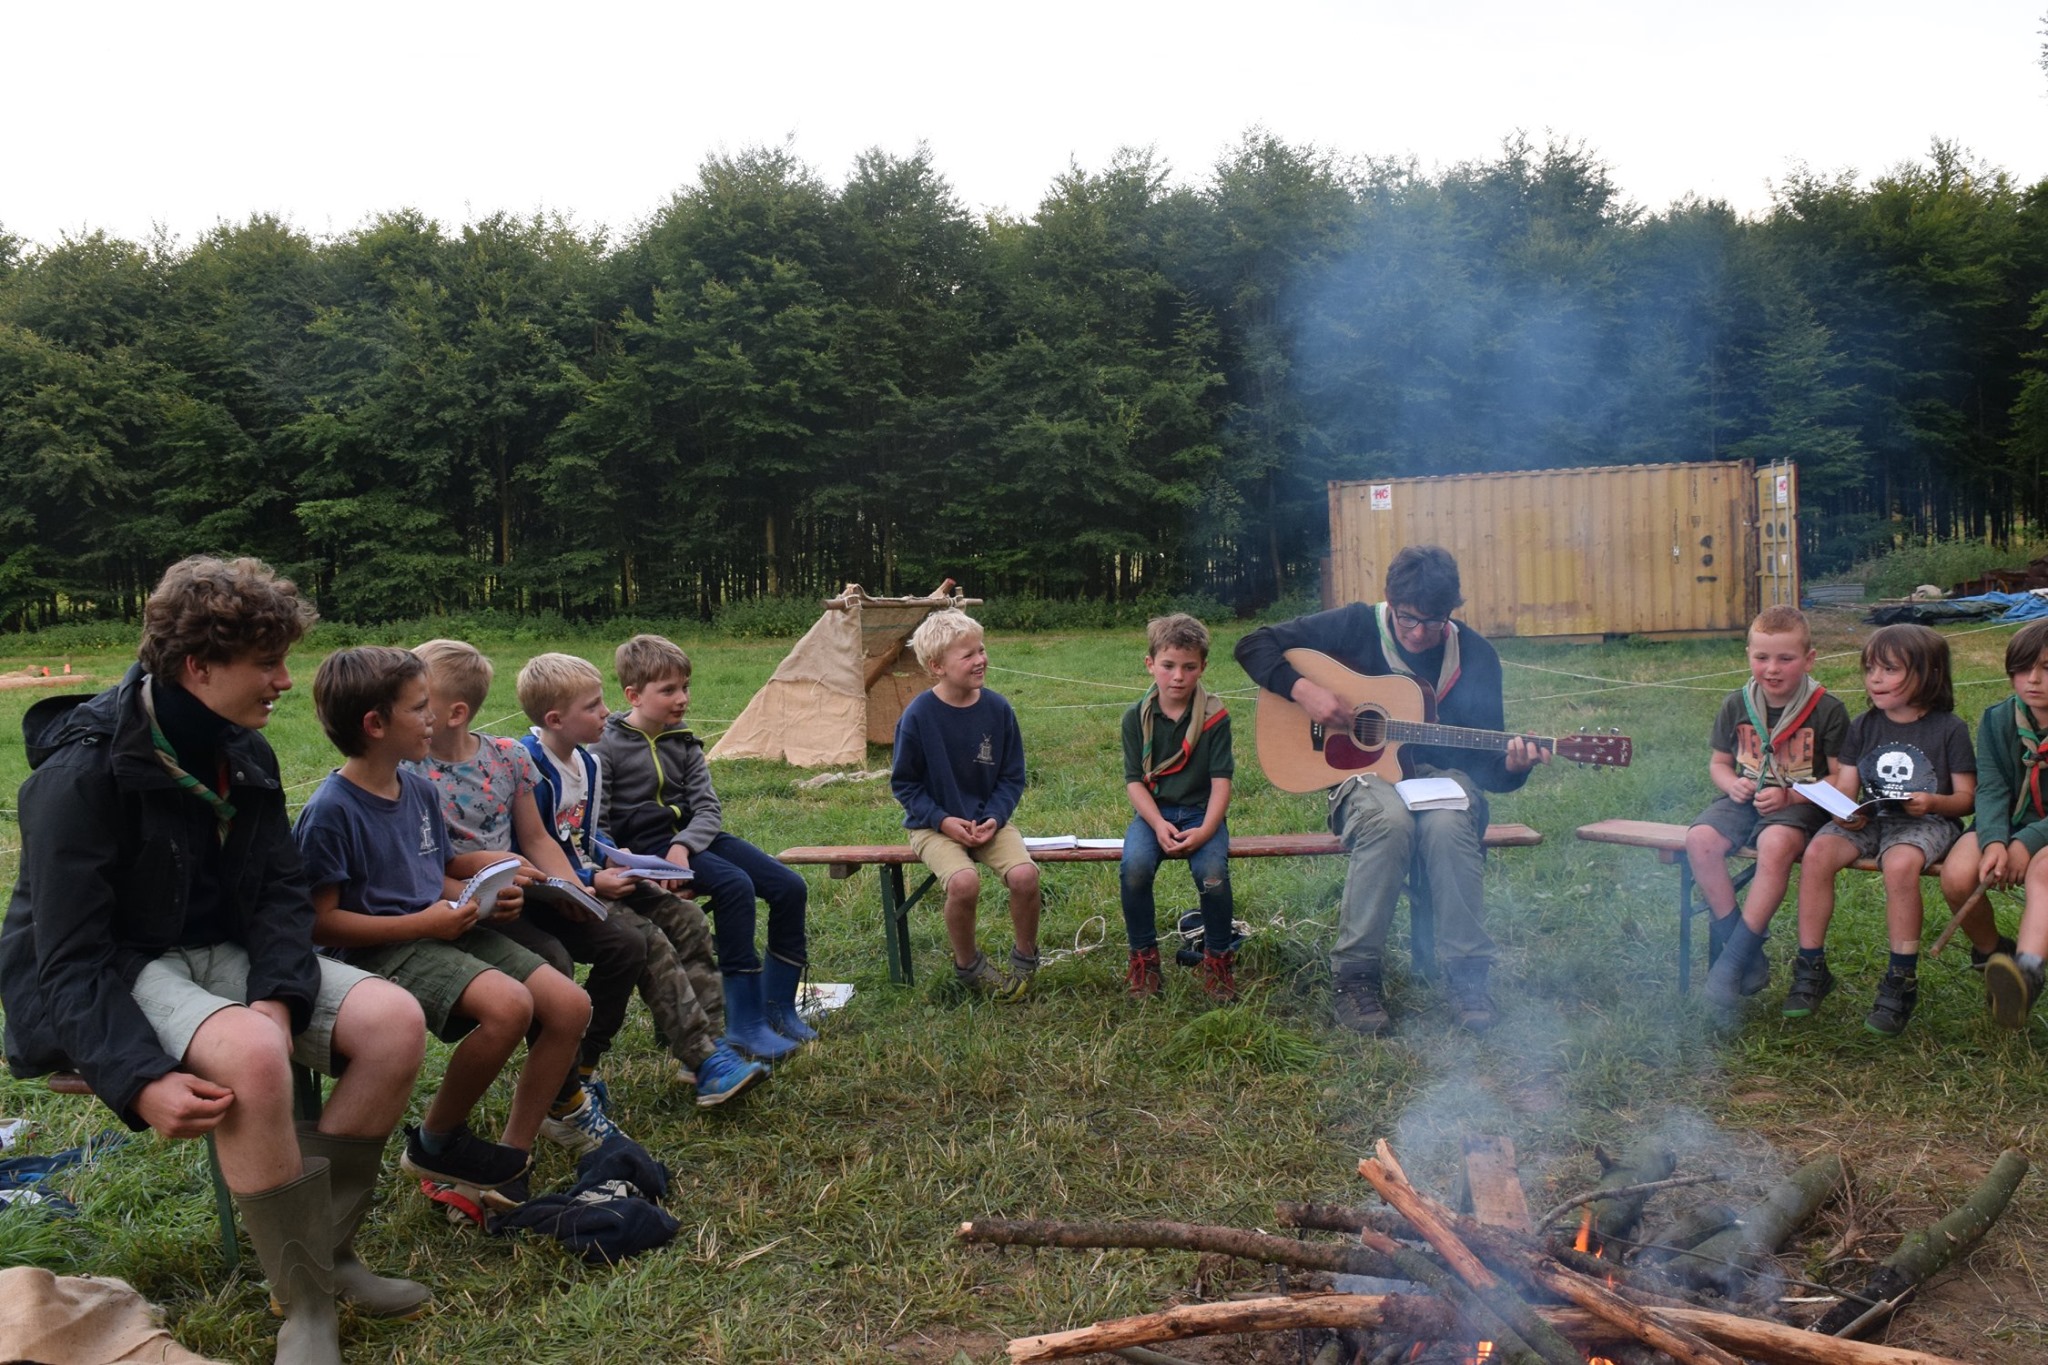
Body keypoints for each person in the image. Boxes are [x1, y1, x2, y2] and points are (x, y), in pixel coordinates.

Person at [0, 556, 431, 1365]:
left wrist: (277, 991)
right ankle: (304, 1307)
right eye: (265, 662)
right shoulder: (81, 773)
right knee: (253, 1054)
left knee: (394, 1020)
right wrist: (138, 1076)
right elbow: (67, 957)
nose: (283, 678)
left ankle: (326, 1255)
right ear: (198, 667)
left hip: (220, 953)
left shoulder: (244, 751)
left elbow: (276, 894)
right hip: (119, 963)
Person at [294, 646, 592, 1207]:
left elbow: (437, 868)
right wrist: (421, 923)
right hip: (378, 951)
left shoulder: (419, 790)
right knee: (509, 1008)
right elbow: (319, 923)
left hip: (437, 929)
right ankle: (435, 1142)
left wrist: (484, 875)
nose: (432, 718)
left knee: (570, 1006)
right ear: (375, 725)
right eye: (419, 708)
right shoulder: (332, 811)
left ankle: (511, 1159)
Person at [1234, 545, 1547, 1035]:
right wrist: (1305, 691)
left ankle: (1468, 975)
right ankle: (1356, 977)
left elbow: (1489, 769)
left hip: (1443, 781)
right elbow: (1253, 645)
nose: (1420, 632)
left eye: (1434, 621)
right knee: (1388, 821)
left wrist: (1512, 765)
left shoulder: (1477, 657)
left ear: (1452, 612)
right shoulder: (1356, 625)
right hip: (1363, 779)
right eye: (1408, 620)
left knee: (1447, 824)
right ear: (1389, 602)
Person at [405, 638, 642, 1153]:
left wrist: (572, 888)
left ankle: (578, 1064)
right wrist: (484, 895)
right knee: (552, 959)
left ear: (455, 712)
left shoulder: (508, 758)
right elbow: (425, 866)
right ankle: (562, 1103)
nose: (415, 710)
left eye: (421, 700)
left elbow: (535, 839)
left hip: (522, 893)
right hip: (466, 905)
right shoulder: (412, 773)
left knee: (623, 943)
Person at [516, 651, 767, 1104]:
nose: (606, 711)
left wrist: (619, 859)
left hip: (594, 877)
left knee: (687, 916)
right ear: (555, 719)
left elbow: (587, 835)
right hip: (552, 895)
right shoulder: (528, 767)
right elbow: (532, 849)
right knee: (647, 938)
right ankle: (703, 1058)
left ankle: (713, 1049)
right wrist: (593, 883)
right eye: (592, 706)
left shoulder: (585, 764)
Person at [597, 634, 814, 1060]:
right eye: (669, 690)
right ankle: (742, 1022)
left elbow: (708, 808)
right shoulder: (605, 747)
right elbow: (599, 822)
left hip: (694, 840)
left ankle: (778, 1008)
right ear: (633, 695)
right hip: (646, 851)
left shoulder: (684, 741)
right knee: (733, 885)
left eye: (685, 687)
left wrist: (684, 845)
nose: (682, 699)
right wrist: (649, 864)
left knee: (790, 886)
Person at [1783, 624, 1975, 1036]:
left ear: (1929, 674)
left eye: (1889, 669)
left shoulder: (1949, 729)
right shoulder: (1864, 725)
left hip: (1928, 820)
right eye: (1870, 668)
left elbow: (1966, 799)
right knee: (1817, 854)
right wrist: (1842, 813)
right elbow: (1848, 787)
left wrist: (1934, 802)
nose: (1875, 679)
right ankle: (1811, 966)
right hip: (1872, 819)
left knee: (1900, 864)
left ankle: (1900, 979)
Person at [1688, 606, 1850, 1007]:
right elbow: (1719, 763)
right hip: (1743, 799)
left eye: (1785, 659)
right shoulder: (1736, 704)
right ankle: (1742, 948)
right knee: (1700, 841)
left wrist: (1791, 795)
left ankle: (1729, 965)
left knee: (1775, 845)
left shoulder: (1827, 709)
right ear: (1748, 655)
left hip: (1798, 805)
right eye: (1761, 657)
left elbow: (1840, 779)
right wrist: (1732, 785)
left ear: (1809, 659)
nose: (1772, 669)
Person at [890, 609, 1043, 999]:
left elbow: (1011, 777)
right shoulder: (918, 716)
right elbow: (904, 785)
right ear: (936, 666)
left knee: (1026, 877)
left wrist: (994, 817)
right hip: (932, 826)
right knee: (964, 882)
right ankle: (969, 966)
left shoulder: (998, 709)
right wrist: (942, 821)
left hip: (988, 822)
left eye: (982, 649)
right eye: (968, 655)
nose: (981, 660)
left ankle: (1026, 959)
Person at [1119, 613, 1237, 1000]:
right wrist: (1155, 824)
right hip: (1154, 814)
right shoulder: (1135, 718)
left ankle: (1218, 960)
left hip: (1203, 814)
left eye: (1189, 667)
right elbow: (1134, 781)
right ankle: (1144, 960)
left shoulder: (1215, 717)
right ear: (1150, 664)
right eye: (1168, 666)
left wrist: (1205, 831)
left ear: (1203, 667)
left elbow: (1222, 783)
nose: (1178, 677)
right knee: (1134, 869)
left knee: (1213, 875)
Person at [1938, 620, 2047, 1027]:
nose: (2032, 680)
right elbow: (1991, 789)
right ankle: (1993, 955)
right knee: (1957, 875)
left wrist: (2027, 842)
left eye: (2047, 669)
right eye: (2022, 669)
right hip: (2007, 821)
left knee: (2044, 871)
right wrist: (1995, 841)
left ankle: (2029, 971)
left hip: (2043, 832)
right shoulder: (1998, 719)